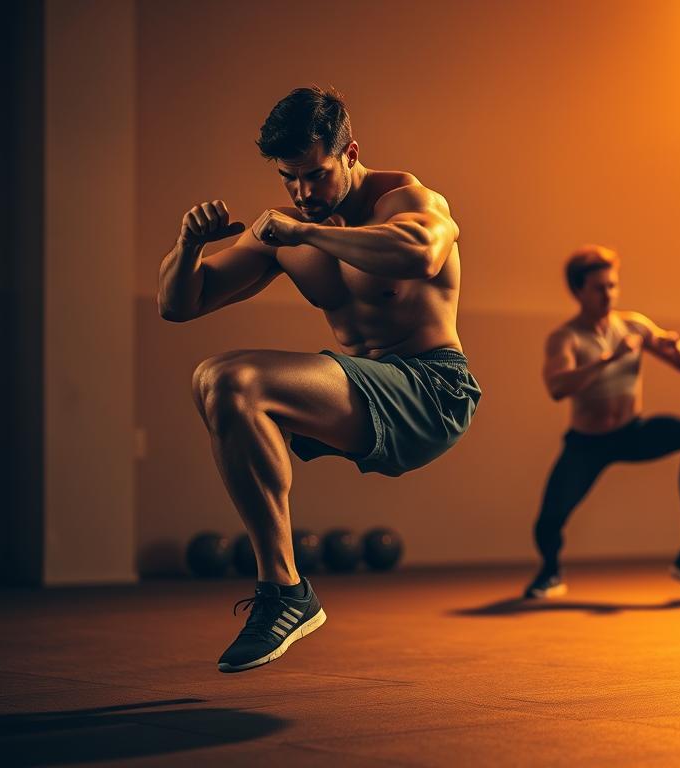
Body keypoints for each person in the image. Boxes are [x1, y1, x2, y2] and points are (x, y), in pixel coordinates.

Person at [157, 86, 480, 672]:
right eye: (289, 177)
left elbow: (422, 254)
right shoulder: (285, 229)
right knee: (220, 384)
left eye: (316, 174)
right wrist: (186, 247)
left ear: (350, 152)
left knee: (234, 376)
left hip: (432, 391)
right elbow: (181, 304)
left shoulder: (405, 199)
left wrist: (305, 234)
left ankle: (284, 592)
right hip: (368, 388)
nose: (303, 192)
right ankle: (284, 590)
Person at [524, 245, 680, 599]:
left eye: (612, 286)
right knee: (547, 523)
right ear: (577, 291)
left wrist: (674, 346)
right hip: (588, 442)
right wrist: (609, 358)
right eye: (598, 288)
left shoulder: (632, 323)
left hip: (632, 432)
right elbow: (557, 387)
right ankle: (550, 571)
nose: (608, 295)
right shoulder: (566, 337)